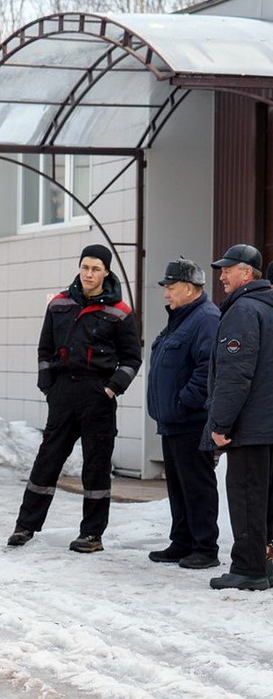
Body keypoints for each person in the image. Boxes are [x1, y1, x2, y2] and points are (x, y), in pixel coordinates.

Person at [8, 244, 142, 553]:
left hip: (98, 396)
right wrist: (48, 386)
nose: (89, 273)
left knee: (96, 465)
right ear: (79, 268)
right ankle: (25, 526)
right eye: (85, 267)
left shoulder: (119, 312)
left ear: (106, 272)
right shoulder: (59, 304)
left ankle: (91, 535)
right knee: (47, 460)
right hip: (63, 394)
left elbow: (133, 359)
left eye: (96, 268)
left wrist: (111, 388)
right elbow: (45, 349)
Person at [203, 244, 273, 591]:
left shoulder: (243, 311)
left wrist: (220, 425)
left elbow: (235, 374)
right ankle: (263, 563)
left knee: (246, 496)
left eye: (228, 269)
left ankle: (248, 568)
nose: (222, 275)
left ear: (247, 273)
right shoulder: (266, 307)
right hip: (267, 424)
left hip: (249, 425)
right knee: (264, 497)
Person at [146, 258, 220, 569]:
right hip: (174, 421)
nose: (165, 293)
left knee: (197, 485)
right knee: (178, 486)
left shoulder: (205, 319)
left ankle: (205, 547)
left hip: (191, 421)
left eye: (171, 287)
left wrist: (181, 402)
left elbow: (207, 370)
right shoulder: (181, 318)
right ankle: (182, 541)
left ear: (189, 289)